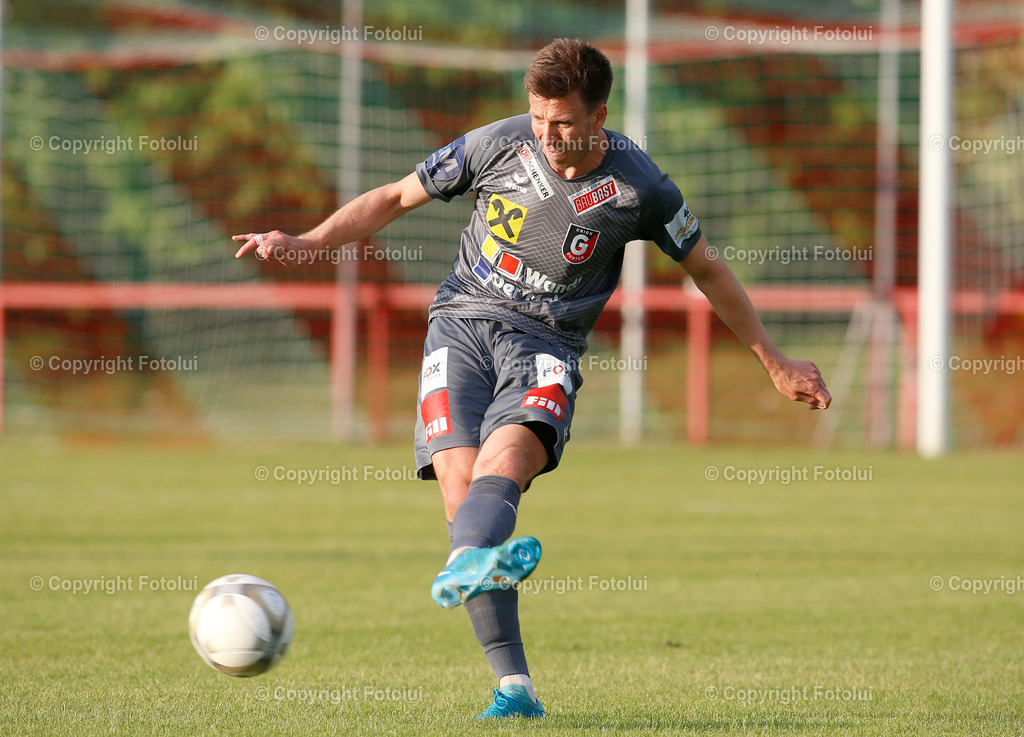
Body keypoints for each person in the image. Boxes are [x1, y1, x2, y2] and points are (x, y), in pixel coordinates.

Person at [234, 37, 832, 720]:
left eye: (565, 122)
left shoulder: (642, 187)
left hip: (545, 343)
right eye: (539, 118)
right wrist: (307, 241)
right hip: (459, 326)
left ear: (600, 113)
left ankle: (468, 566)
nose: (548, 136)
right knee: (464, 497)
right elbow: (396, 196)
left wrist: (775, 361)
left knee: (508, 459)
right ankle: (513, 684)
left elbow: (709, 271)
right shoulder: (500, 143)